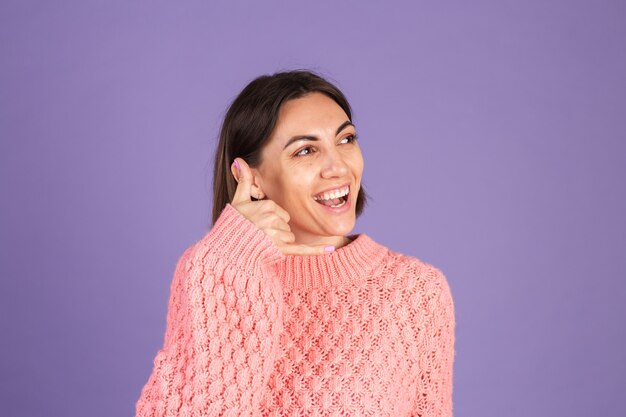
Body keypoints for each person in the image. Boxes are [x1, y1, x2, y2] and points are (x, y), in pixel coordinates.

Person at [135, 70, 455, 416]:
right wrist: (227, 261)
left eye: (346, 139)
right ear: (250, 178)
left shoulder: (416, 291)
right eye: (306, 151)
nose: (338, 167)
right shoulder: (209, 270)